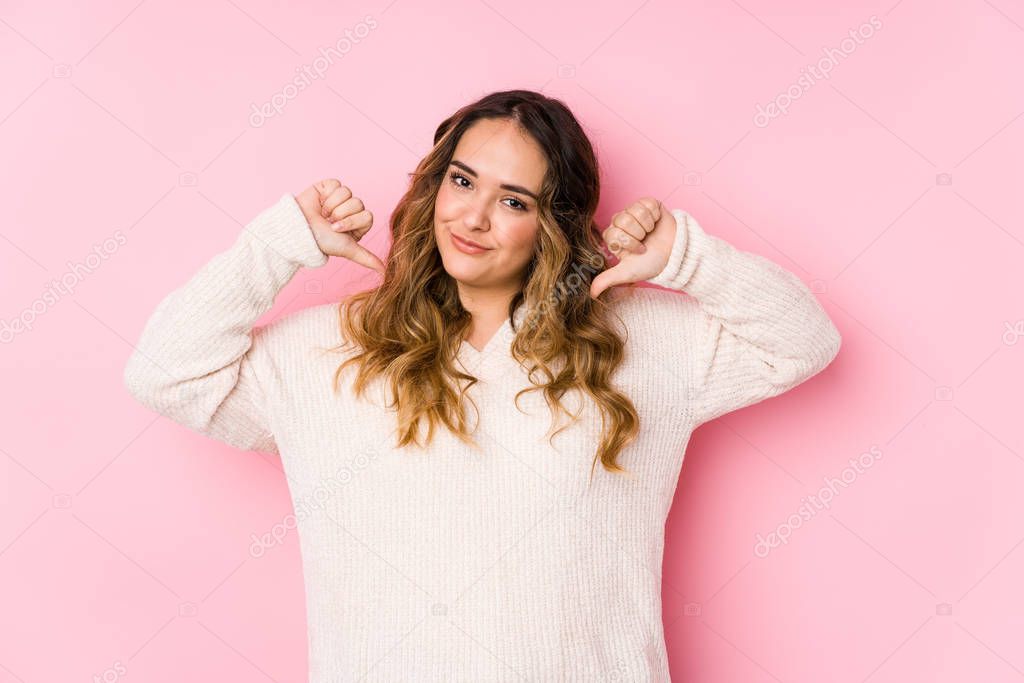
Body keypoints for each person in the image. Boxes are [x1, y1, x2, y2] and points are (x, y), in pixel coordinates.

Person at [123, 89, 841, 681]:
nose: (471, 217)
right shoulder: (328, 350)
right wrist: (278, 245)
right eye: (462, 181)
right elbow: (167, 372)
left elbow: (803, 341)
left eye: (514, 200)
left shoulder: (638, 342)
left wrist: (685, 256)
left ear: (553, 223)